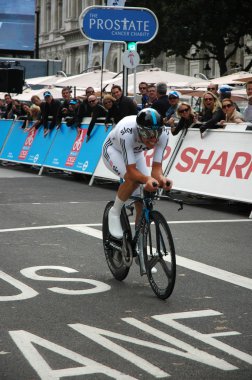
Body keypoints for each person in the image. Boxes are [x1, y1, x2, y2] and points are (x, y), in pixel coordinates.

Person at [102, 108, 173, 240]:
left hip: (135, 153)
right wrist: (146, 179)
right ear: (139, 130)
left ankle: (139, 238)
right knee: (133, 180)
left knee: (143, 197)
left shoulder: (164, 134)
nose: (153, 139)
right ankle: (115, 211)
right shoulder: (127, 131)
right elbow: (131, 171)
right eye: (148, 134)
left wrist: (162, 179)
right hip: (113, 151)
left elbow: (157, 169)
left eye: (156, 134)